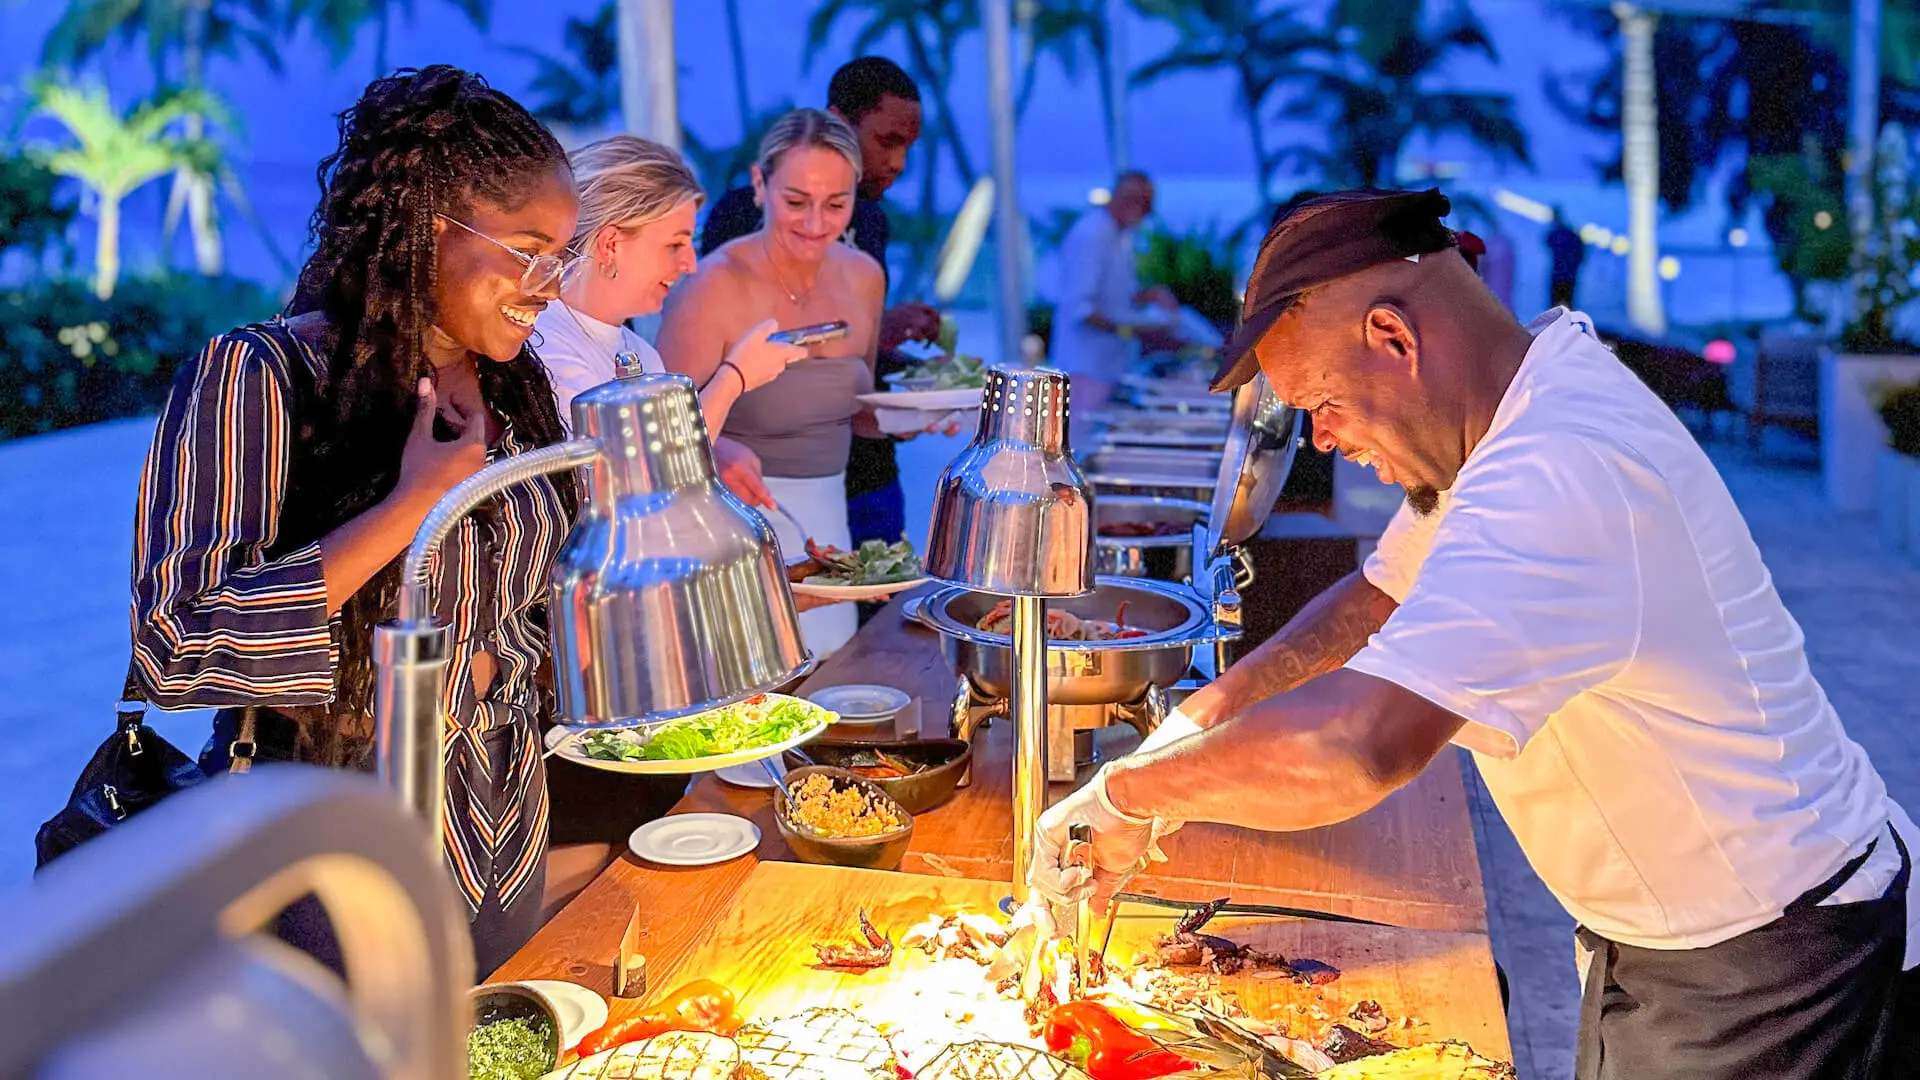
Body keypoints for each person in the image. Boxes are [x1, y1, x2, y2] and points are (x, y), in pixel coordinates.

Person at [1027, 189, 1916, 1079]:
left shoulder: (1559, 469)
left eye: (1323, 403)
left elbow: (1358, 746)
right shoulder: (1514, 405)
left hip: (1772, 961)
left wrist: (1129, 794)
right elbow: (1375, 600)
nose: (1324, 442)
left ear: (1394, 338)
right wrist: (1199, 726)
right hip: (1680, 937)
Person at [130, 66, 585, 975]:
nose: (550, 285)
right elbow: (173, 647)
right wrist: (409, 505)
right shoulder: (258, 378)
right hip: (330, 858)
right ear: (425, 228)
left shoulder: (512, 385)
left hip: (501, 830)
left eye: (563, 257)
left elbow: (528, 604)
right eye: (530, 251)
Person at [658, 109, 884, 659]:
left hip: (829, 540)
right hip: (732, 542)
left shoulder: (864, 277)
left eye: (835, 204)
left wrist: (922, 415)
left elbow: (858, 410)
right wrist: (721, 446)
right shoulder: (713, 285)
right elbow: (658, 436)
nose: (815, 222)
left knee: (831, 705)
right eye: (796, 201)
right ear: (760, 186)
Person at [700, 56, 941, 548]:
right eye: (886, 141)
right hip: (765, 480)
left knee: (880, 607)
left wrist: (922, 391)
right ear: (838, 122)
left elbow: (855, 367)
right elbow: (724, 362)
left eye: (908, 147)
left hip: (868, 474)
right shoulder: (741, 215)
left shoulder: (873, 223)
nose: (897, 164)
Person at [533, 134, 807, 512]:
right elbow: (635, 486)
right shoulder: (542, 339)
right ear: (611, 243)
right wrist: (732, 379)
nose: (690, 265)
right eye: (675, 245)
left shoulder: (642, 353)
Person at [1049, 171, 1182, 445]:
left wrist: (1149, 296)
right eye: (1145, 204)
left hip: (1109, 368)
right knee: (1078, 449)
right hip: (1085, 368)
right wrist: (1136, 330)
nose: (1148, 213)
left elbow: (1116, 294)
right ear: (1129, 200)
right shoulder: (1092, 235)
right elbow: (1082, 311)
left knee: (1097, 445)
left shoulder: (1120, 235)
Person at [1547, 207, 1584, 309]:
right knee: (1567, 306)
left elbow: (1547, 241)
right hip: (1569, 276)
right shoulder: (1572, 235)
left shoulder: (1557, 235)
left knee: (1556, 307)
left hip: (1559, 276)